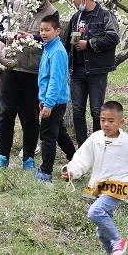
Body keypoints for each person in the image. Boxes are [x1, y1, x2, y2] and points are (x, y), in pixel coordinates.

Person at [62, 101, 128, 255]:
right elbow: (83, 158)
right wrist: (72, 171)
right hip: (100, 187)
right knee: (102, 232)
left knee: (95, 212)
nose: (106, 124)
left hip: (118, 186)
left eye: (111, 121)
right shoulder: (96, 138)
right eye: (103, 120)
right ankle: (113, 250)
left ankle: (118, 241)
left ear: (121, 122)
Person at [0, 0, 58, 170]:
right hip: (10, 67)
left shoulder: (52, 12)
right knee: (6, 113)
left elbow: (51, 38)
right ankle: (3, 156)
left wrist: (30, 37)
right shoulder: (15, 5)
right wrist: (11, 36)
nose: (35, 0)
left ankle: (29, 158)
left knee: (31, 116)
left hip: (32, 69)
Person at [65, 0, 120, 145]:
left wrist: (88, 44)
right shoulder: (76, 17)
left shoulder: (105, 14)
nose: (73, 1)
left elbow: (113, 37)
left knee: (97, 111)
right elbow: (68, 41)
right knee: (77, 111)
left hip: (97, 71)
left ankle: (98, 145)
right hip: (77, 71)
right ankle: (83, 147)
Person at [35, 15, 75, 182]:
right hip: (50, 100)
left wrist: (49, 104)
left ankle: (46, 173)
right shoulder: (48, 47)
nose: (43, 33)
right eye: (41, 30)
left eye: (47, 30)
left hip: (55, 102)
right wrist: (42, 99)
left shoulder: (57, 51)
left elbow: (55, 80)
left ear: (57, 31)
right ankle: (76, 158)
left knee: (47, 136)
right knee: (59, 133)